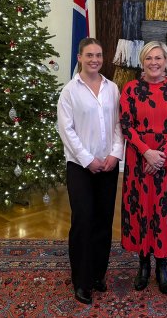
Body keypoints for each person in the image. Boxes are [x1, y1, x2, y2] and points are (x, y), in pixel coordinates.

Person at [57, 37, 124, 305]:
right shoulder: (69, 91)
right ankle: (82, 281)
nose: (95, 60)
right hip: (80, 167)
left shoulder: (112, 88)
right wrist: (87, 160)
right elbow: (66, 131)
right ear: (80, 58)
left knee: (103, 222)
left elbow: (119, 124)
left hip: (108, 165)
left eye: (98, 55)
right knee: (83, 221)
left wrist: (115, 154)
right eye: (89, 55)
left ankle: (98, 274)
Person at [119, 41, 167, 295]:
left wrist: (160, 155)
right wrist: (147, 153)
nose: (154, 62)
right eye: (149, 58)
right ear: (142, 62)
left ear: (166, 61)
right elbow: (125, 124)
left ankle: (162, 266)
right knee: (141, 209)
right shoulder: (130, 89)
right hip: (139, 158)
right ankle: (143, 264)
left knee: (163, 210)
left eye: (158, 58)